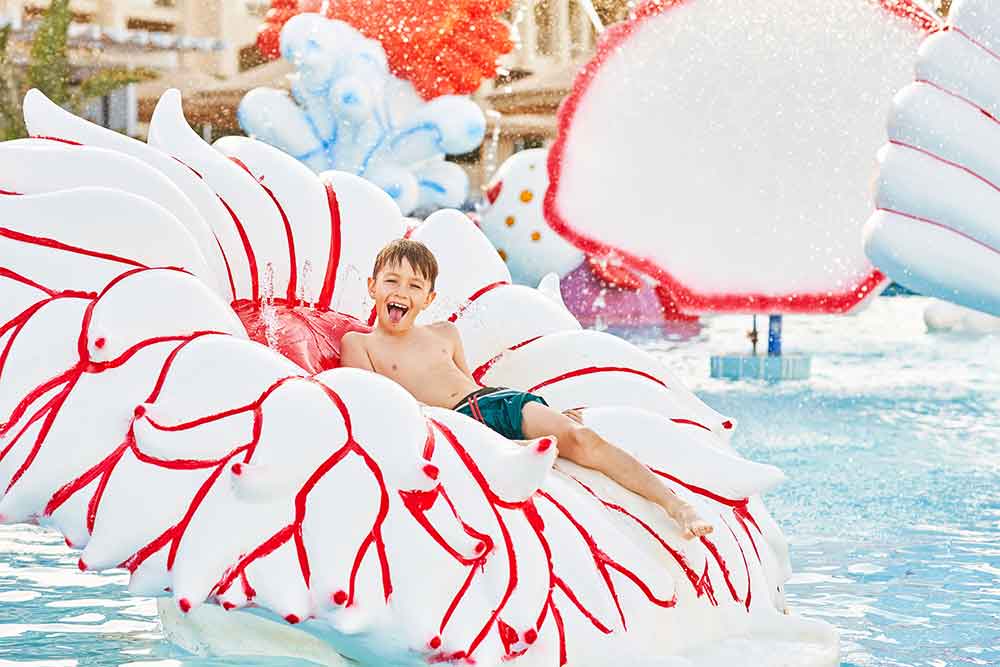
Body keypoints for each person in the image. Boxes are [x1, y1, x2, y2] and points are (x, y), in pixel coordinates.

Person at [340, 239, 712, 539]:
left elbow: (473, 387)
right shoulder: (360, 344)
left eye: (414, 285)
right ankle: (523, 445)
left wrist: (546, 415)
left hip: (491, 403)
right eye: (392, 281)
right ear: (373, 287)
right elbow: (372, 404)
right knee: (520, 457)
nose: (401, 291)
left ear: (428, 299)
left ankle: (676, 504)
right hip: (448, 426)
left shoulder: (444, 334)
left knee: (581, 439)